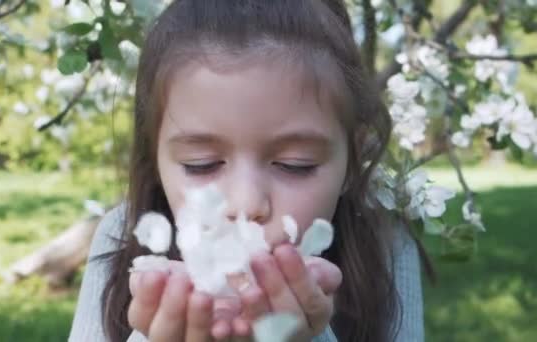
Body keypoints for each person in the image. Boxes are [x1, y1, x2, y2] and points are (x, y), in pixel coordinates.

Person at [69, 0, 424, 341]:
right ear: (157, 159)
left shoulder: (387, 244)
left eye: (295, 165)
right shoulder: (120, 235)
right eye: (201, 165)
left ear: (352, 159)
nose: (245, 203)